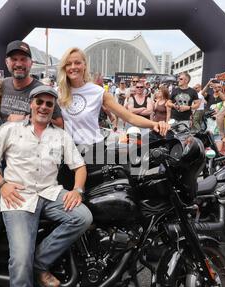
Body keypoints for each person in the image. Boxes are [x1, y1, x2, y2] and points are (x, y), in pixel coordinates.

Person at [0, 85, 92, 287]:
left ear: (53, 108)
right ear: (31, 104)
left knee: (83, 217)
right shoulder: (10, 129)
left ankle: (39, 263)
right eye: (39, 102)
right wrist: (2, 184)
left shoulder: (61, 135)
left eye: (49, 104)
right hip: (19, 197)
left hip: (50, 193)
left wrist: (77, 190)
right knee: (20, 259)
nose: (44, 107)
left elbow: (79, 166)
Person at [56, 47, 168, 188]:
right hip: (67, 153)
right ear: (64, 67)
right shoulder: (58, 93)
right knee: (69, 199)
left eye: (77, 63)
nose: (73, 67)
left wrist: (154, 124)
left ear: (84, 65)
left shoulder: (97, 92)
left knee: (95, 198)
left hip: (93, 153)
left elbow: (129, 117)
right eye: (68, 64)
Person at [0, 40, 63, 128]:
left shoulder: (42, 90)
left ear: (31, 63)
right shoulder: (2, 85)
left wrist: (26, 118)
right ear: (7, 63)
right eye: (14, 59)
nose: (18, 64)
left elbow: (60, 124)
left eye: (23, 59)